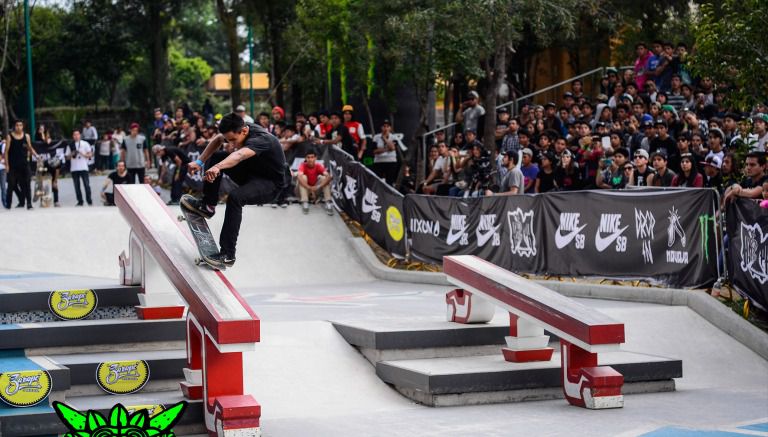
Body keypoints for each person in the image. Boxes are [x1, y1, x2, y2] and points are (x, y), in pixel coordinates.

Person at [182, 113, 288, 267]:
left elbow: (238, 155)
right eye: (229, 139)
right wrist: (199, 161)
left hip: (271, 184)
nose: (231, 143)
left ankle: (228, 254)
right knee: (217, 156)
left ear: (244, 131)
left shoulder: (262, 139)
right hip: (252, 173)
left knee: (235, 197)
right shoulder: (238, 129)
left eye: (233, 140)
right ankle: (208, 206)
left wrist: (218, 168)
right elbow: (218, 139)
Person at [5, 120, 39, 209]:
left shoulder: (26, 136)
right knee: (11, 184)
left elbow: (30, 148)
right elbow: (6, 152)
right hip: (13, 165)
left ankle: (29, 204)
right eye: (17, 125)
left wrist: (37, 155)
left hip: (24, 164)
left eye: (20, 125)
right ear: (14, 126)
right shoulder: (9, 137)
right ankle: (8, 204)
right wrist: (7, 165)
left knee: (27, 183)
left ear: (22, 126)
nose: (19, 127)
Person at [296, 148, 333, 215]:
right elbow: (299, 176)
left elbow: (329, 176)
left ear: (316, 158)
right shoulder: (303, 165)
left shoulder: (318, 166)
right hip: (304, 190)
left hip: (315, 190)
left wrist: (318, 186)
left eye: (312, 157)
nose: (310, 159)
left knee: (324, 178)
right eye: (308, 157)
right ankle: (305, 202)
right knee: (303, 177)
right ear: (306, 158)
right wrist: (309, 187)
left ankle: (328, 202)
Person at [67, 130, 94, 206]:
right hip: (74, 168)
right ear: (72, 136)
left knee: (86, 185)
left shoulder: (85, 144)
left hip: (83, 167)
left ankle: (89, 200)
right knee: (76, 186)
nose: (76, 136)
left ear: (80, 135)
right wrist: (72, 154)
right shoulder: (70, 145)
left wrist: (82, 153)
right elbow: (67, 157)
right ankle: (80, 201)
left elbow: (90, 154)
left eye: (77, 134)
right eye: (74, 135)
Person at [372, 119, 399, 185]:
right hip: (379, 162)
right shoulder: (376, 137)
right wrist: (387, 149)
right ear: (381, 127)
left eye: (387, 126)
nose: (385, 128)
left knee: (389, 182)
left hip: (391, 161)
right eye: (384, 126)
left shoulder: (393, 137)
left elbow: (392, 148)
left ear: (390, 128)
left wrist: (384, 138)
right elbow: (374, 151)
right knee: (377, 181)